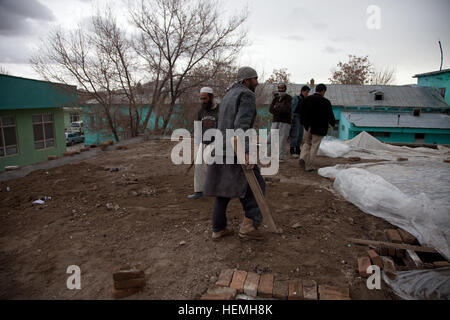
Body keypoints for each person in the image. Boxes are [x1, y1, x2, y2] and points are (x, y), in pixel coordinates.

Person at [203, 66, 266, 241]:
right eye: (255, 79)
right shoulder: (246, 94)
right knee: (256, 186)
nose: (257, 82)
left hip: (221, 147)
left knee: (224, 189)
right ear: (246, 80)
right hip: (235, 149)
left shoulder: (228, 95)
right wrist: (245, 152)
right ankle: (248, 227)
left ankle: (218, 228)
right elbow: (242, 125)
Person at [187, 87, 219, 199]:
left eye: (204, 98)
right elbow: (198, 129)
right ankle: (199, 191)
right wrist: (196, 146)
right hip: (203, 141)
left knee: (208, 162)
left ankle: (214, 188)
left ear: (211, 97)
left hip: (216, 141)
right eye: (201, 98)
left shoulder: (220, 110)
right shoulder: (201, 111)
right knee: (198, 165)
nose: (203, 101)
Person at [298, 83, 335, 172]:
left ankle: (302, 157)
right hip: (319, 128)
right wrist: (333, 124)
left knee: (307, 143)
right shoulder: (326, 102)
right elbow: (330, 115)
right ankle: (309, 166)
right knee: (314, 145)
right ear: (323, 91)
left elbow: (301, 111)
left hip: (307, 126)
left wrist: (303, 123)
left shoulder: (307, 99)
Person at [268, 83, 292, 162]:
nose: (281, 89)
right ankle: (267, 154)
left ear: (285, 88)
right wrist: (280, 108)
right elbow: (271, 109)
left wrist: (276, 107)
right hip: (275, 121)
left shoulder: (289, 98)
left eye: (282, 88)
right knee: (270, 138)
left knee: (282, 140)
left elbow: (287, 109)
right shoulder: (275, 98)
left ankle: (280, 157)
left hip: (285, 122)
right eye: (279, 88)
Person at [289, 85, 310, 157]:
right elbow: (293, 107)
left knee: (301, 134)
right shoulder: (297, 98)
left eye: (308, 92)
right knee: (295, 134)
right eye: (306, 92)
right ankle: (292, 149)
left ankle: (298, 148)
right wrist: (291, 116)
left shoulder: (306, 100)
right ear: (302, 91)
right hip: (296, 116)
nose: (307, 93)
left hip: (302, 118)